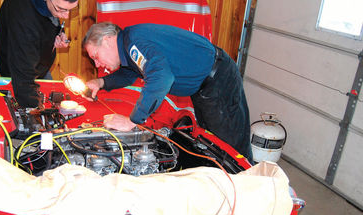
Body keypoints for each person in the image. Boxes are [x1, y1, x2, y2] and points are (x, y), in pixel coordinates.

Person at [83, 22, 253, 161]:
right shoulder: (130, 44)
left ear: (107, 40)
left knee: (232, 154)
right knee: (211, 148)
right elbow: (130, 73)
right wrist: (101, 82)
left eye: (96, 57)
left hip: (219, 82)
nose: (97, 65)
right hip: (206, 88)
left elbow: (161, 77)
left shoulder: (134, 41)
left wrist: (131, 121)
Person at [0, 0, 80, 108]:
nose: (67, 16)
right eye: (61, 9)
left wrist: (58, 32)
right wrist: (36, 113)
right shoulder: (23, 18)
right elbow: (23, 78)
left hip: (38, 62)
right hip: (18, 70)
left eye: (71, 10)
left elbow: (51, 19)